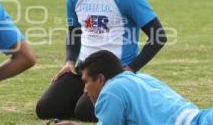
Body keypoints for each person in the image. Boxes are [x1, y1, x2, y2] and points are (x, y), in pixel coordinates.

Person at [36, 0, 167, 122]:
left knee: (84, 111)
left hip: (114, 73)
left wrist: (129, 69)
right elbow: (75, 32)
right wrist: (69, 62)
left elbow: (159, 36)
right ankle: (87, 99)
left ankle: (125, 99)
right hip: (82, 69)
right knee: (45, 109)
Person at [57, 50, 213, 125]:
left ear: (100, 79)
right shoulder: (141, 78)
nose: (84, 89)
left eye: (86, 81)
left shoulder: (111, 91)